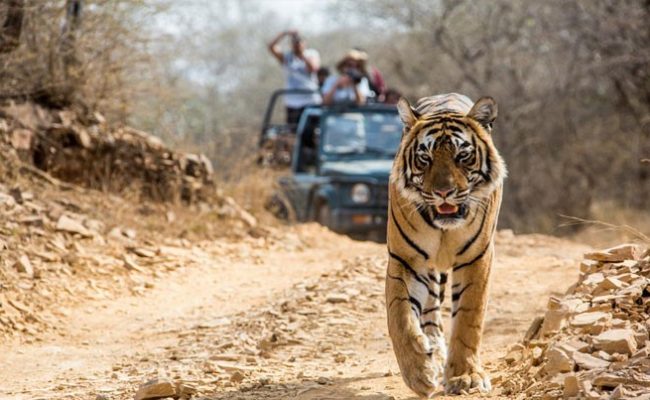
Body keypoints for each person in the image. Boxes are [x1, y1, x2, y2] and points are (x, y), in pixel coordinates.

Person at [268, 30, 321, 126]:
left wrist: (302, 55)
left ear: (304, 43)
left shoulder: (311, 54)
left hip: (310, 99)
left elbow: (313, 68)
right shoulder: (287, 57)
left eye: (299, 42)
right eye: (294, 43)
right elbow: (271, 47)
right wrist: (285, 33)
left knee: (311, 129)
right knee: (293, 129)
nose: (297, 45)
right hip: (292, 101)